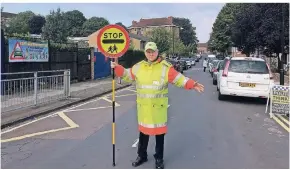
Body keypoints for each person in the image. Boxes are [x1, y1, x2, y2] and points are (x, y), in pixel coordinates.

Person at [111, 42, 204, 169]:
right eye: (148, 52)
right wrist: (117, 68)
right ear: (145, 53)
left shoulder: (165, 68)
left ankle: (159, 159)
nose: (150, 54)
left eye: (153, 51)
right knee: (143, 134)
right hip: (144, 108)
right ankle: (142, 156)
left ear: (157, 52)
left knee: (159, 136)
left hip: (158, 109)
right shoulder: (139, 67)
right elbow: (128, 75)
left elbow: (179, 79)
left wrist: (192, 84)